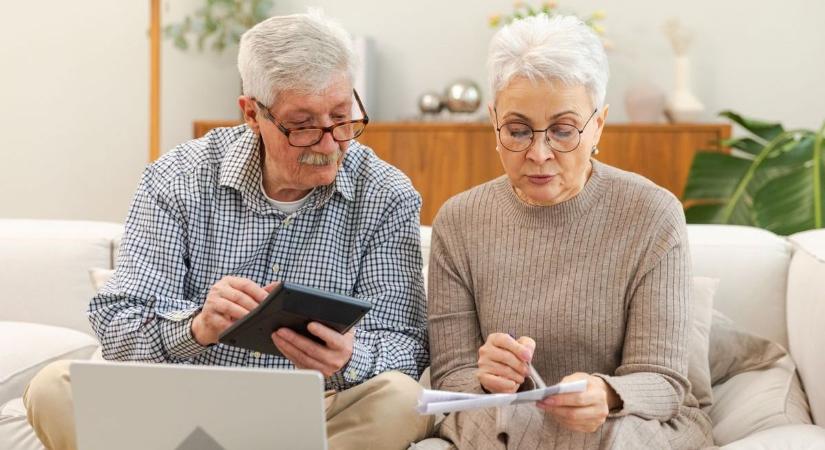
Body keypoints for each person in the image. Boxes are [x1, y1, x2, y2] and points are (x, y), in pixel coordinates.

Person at [24, 11, 432, 450]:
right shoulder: (176, 178)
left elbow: (407, 346)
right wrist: (197, 327)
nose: (329, 144)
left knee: (403, 401)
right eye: (303, 126)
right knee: (53, 388)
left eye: (341, 117)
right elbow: (118, 323)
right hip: (183, 404)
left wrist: (349, 358)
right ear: (252, 114)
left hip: (319, 412)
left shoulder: (387, 194)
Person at [427, 14, 713, 449]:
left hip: (625, 419)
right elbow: (452, 377)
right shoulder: (459, 222)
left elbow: (663, 381)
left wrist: (607, 393)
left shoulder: (653, 214)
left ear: (598, 124)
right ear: (494, 122)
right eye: (518, 131)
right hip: (505, 419)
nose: (539, 154)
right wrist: (485, 379)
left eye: (563, 130)